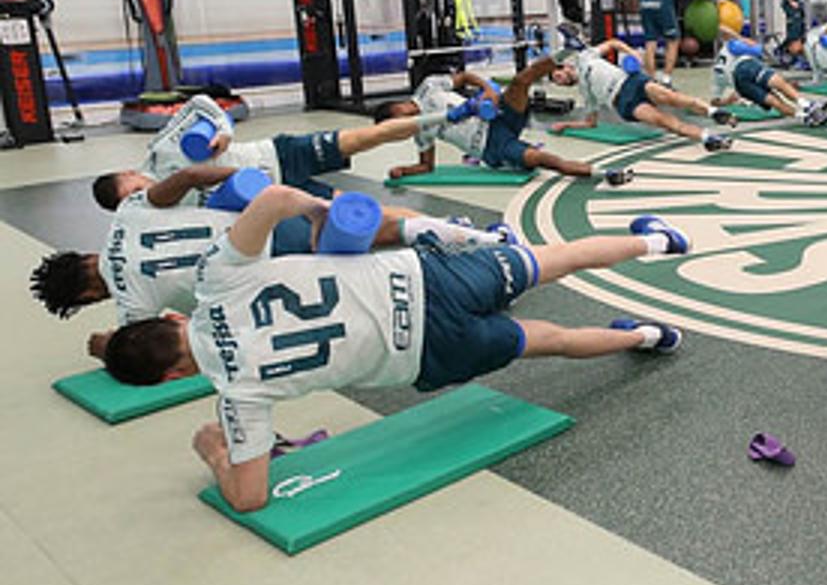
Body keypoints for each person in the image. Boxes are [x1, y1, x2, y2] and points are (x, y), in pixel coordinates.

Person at [100, 183, 690, 513]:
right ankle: (660, 241)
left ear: (172, 379)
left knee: (552, 342)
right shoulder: (212, 282)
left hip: (428, 351)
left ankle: (647, 336)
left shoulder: (238, 397)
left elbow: (250, 497)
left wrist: (213, 452)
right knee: (551, 260)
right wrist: (322, 215)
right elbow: (276, 198)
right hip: (422, 279)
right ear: (174, 317)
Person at [32, 163, 500, 358]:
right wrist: (245, 179)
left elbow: (115, 348)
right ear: (84, 254)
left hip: (273, 279)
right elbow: (193, 173)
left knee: (372, 265)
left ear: (90, 294)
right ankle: (474, 238)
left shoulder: (133, 311)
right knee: (375, 229)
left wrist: (97, 343)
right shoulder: (128, 214)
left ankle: (469, 253)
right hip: (258, 227)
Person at [100, 95, 439, 210]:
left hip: (277, 155)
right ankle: (437, 230)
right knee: (355, 210)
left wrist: (224, 131)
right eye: (131, 200)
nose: (138, 196)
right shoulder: (159, 205)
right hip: (274, 195)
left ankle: (445, 117)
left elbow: (200, 103)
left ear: (129, 174)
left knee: (367, 137)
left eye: (132, 190)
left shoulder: (161, 151)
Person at [377, 60, 632, 184]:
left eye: (393, 128)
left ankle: (563, 55)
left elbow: (464, 76)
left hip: (498, 116)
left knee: (521, 82)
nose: (399, 134)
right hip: (493, 147)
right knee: (542, 160)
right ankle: (606, 174)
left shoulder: (428, 88)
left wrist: (488, 88)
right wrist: (404, 170)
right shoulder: (420, 132)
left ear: (397, 109)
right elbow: (427, 166)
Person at [548, 37, 737, 150]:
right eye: (558, 82)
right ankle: (708, 138)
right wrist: (565, 124)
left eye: (558, 76)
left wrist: (633, 54)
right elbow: (591, 122)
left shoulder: (584, 57)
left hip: (631, 81)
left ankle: (714, 113)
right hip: (622, 103)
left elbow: (613, 43)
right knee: (664, 121)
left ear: (565, 67)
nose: (561, 80)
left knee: (671, 98)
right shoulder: (584, 92)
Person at [712, 33, 827, 125]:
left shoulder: (716, 73)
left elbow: (715, 102)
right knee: (779, 83)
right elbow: (756, 49)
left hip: (740, 85)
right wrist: (744, 39)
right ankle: (807, 105)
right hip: (745, 66)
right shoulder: (731, 45)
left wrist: (727, 101)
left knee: (774, 101)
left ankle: (804, 116)